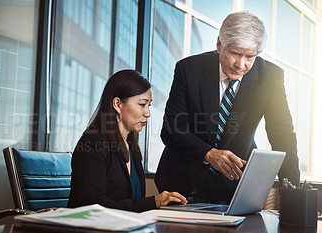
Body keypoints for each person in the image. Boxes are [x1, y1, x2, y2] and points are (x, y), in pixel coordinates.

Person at [155, 11, 300, 204]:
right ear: (219, 45)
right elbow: (172, 130)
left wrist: (296, 197)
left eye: (250, 56)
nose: (241, 64)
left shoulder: (270, 78)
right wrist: (209, 153)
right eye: (235, 53)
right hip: (184, 182)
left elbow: (283, 136)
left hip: (235, 185)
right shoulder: (188, 69)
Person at [68, 69, 187, 212]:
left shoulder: (130, 145)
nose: (148, 113)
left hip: (124, 229)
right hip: (91, 231)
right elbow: (93, 206)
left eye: (149, 105)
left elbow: (130, 202)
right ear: (117, 104)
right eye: (142, 104)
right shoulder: (92, 144)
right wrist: (154, 202)